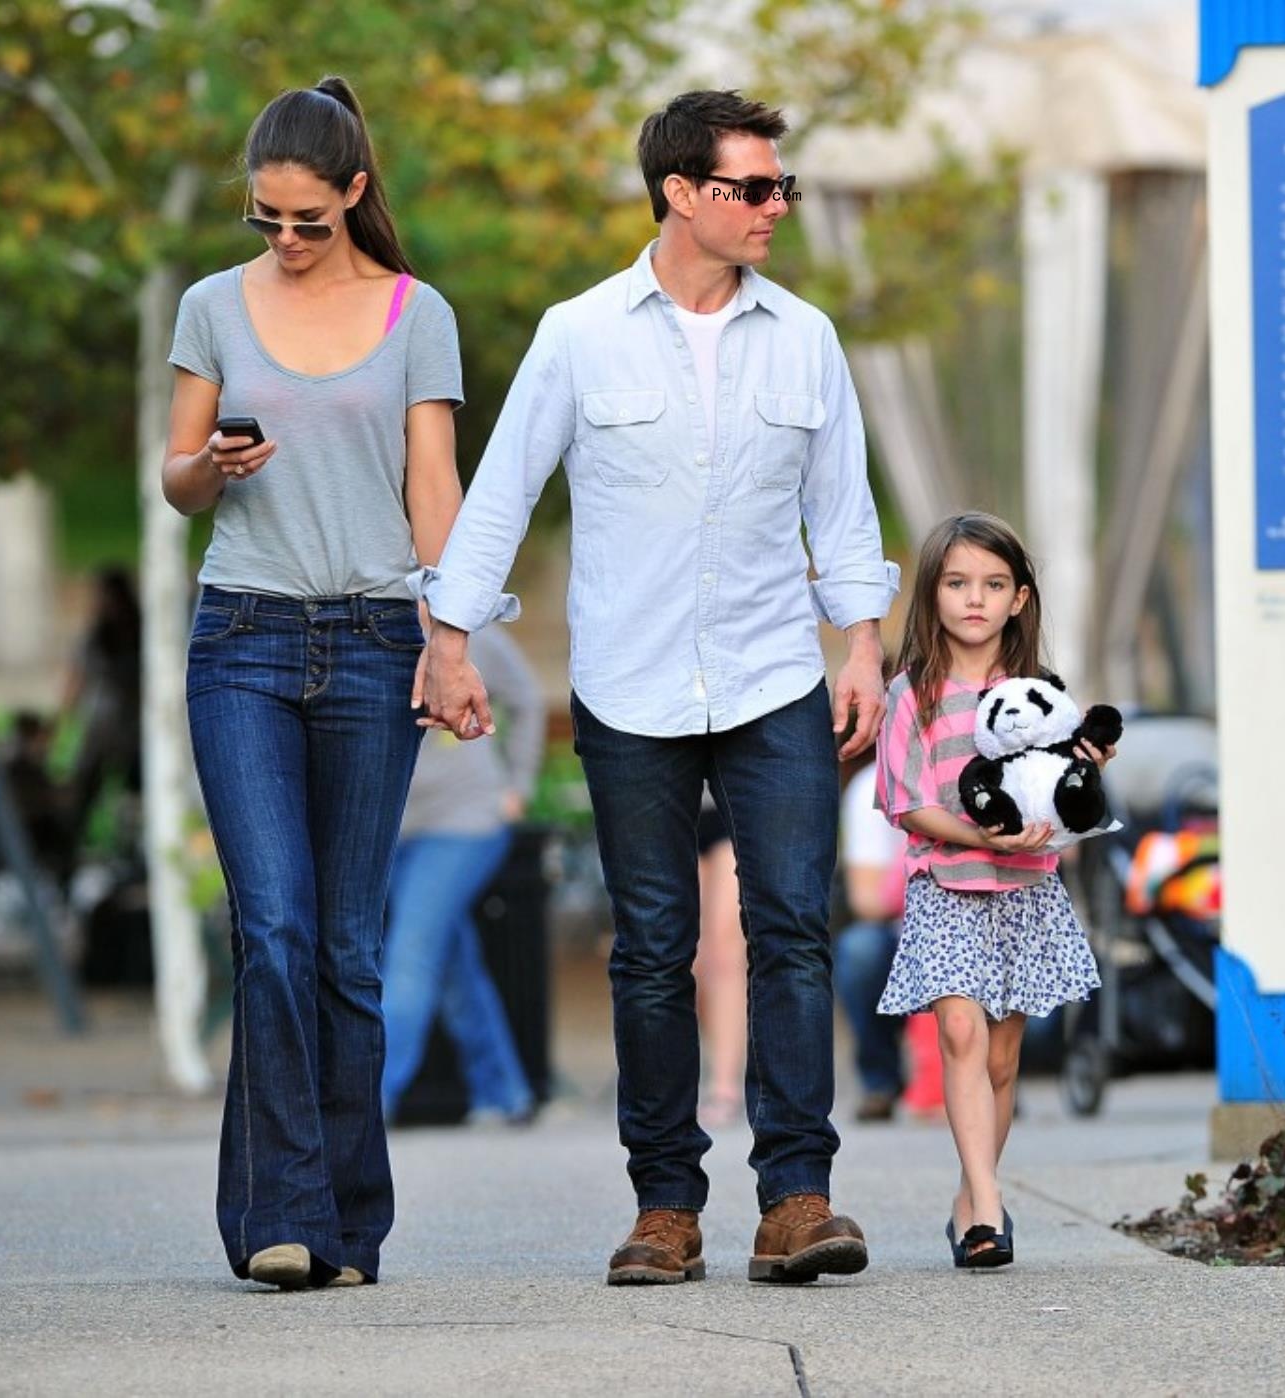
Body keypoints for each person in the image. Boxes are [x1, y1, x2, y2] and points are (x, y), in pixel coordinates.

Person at [418, 90, 899, 1287]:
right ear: (683, 193)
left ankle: (797, 1198)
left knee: (791, 929)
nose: (777, 207)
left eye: (783, 185)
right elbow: (500, 497)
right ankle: (665, 1208)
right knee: (650, 949)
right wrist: (452, 640)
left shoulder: (807, 339)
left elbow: (841, 512)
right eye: (755, 187)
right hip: (629, 689)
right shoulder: (578, 334)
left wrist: (864, 646)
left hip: (776, 674)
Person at [159, 76, 464, 1290]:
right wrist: (213, 465)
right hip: (243, 638)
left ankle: (347, 1225)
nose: (284, 242)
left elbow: (431, 485)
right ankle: (285, 1219)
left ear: (354, 194)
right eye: (263, 220)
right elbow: (174, 478)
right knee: (273, 929)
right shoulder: (208, 309)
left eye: (307, 220)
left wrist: (453, 638)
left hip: (378, 640)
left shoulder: (416, 313)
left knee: (346, 949)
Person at [874, 512, 1112, 1269]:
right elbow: (902, 799)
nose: (974, 599)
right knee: (960, 1035)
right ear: (932, 594)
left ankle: (968, 1197)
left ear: (1019, 598)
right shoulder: (911, 693)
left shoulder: (1039, 694)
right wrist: (980, 834)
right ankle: (990, 1207)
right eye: (957, 583)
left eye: (993, 584)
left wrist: (1086, 769)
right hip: (946, 884)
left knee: (1004, 1060)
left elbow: (1067, 787)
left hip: (1025, 891)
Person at [381, 623, 543, 1124]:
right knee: (449, 960)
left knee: (410, 952)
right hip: (390, 829)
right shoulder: (370, 621)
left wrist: (517, 785)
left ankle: (366, 1104)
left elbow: (528, 699)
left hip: (464, 822)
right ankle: (503, 1092)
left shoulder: (470, 629)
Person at [834, 759, 907, 1122]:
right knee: (859, 949)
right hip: (902, 929)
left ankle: (996, 1079)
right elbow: (866, 900)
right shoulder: (873, 788)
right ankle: (880, 1079)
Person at [61, 566, 142, 850]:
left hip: (134, 733)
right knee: (83, 792)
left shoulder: (140, 636)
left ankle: (131, 847)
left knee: (135, 795)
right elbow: (76, 680)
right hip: (100, 730)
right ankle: (72, 847)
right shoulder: (96, 636)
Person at [692, 790, 747, 1131]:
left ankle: (724, 1086)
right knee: (691, 957)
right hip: (670, 786)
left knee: (725, 949)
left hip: (731, 792)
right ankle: (702, 1070)